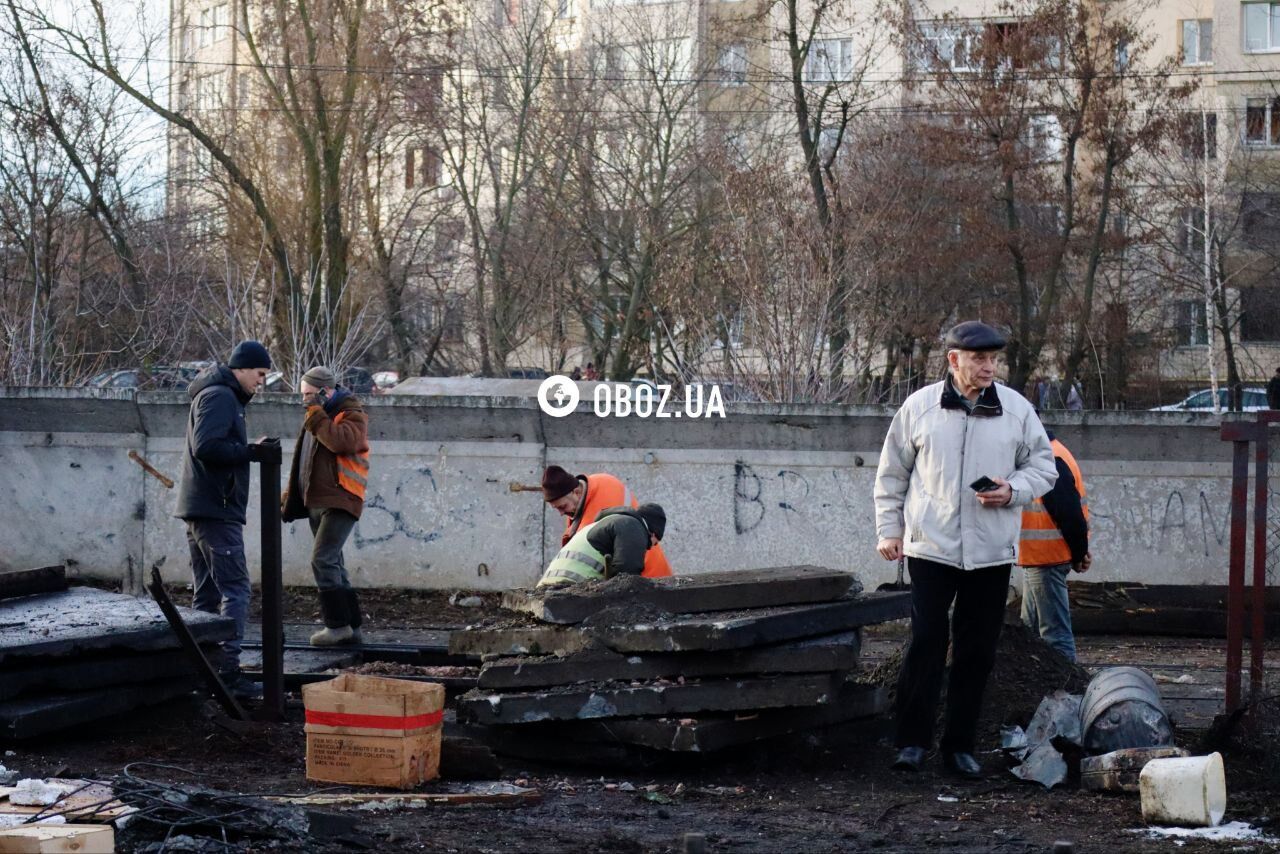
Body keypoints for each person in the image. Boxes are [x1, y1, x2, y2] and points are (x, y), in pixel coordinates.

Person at [874, 320, 1057, 779]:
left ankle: (960, 747)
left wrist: (1012, 489)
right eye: (979, 359)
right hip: (931, 548)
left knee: (976, 652)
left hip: (991, 552)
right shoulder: (919, 408)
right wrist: (889, 530)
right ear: (953, 360)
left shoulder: (1016, 411)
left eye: (994, 359)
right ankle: (912, 744)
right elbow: (892, 475)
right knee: (926, 644)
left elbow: (1044, 468)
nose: (989, 367)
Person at [175, 340, 277, 697]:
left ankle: (202, 672)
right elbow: (207, 446)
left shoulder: (219, 395)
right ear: (243, 368)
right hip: (215, 511)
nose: (262, 382)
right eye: (260, 374)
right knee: (234, 590)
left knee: (207, 595)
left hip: (204, 507)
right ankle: (226, 672)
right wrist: (251, 451)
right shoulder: (220, 397)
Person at [282, 366, 371, 646]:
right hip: (319, 500)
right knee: (334, 563)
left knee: (322, 559)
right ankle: (352, 627)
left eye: (309, 394)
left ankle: (337, 626)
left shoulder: (351, 414)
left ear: (325, 391)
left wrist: (316, 413)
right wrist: (290, 496)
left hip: (341, 498)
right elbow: (304, 462)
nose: (305, 400)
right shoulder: (316, 418)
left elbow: (340, 442)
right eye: (303, 395)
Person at [1019, 425, 1091, 662]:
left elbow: (1070, 515)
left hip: (1046, 558)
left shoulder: (1048, 459)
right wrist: (1080, 552)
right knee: (1029, 633)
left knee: (1054, 637)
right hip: (1040, 558)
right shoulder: (1048, 453)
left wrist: (1079, 553)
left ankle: (1067, 692)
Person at [541, 465, 673, 577]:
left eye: (562, 507)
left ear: (576, 492)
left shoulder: (593, 520)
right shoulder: (602, 481)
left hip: (645, 576)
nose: (561, 513)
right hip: (647, 571)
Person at [538, 504, 665, 587]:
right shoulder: (632, 526)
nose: (652, 547)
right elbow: (626, 577)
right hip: (569, 588)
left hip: (547, 587)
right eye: (656, 543)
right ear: (653, 533)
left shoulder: (604, 523)